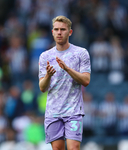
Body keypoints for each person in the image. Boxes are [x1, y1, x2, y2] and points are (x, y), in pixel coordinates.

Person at [38, 15, 91, 150]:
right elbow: (42, 88)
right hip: (53, 112)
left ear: (70, 32)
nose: (59, 32)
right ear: (52, 32)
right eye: (56, 29)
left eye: (62, 29)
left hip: (73, 110)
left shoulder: (81, 53)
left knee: (73, 148)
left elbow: (86, 80)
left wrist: (67, 69)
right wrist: (48, 76)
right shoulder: (45, 56)